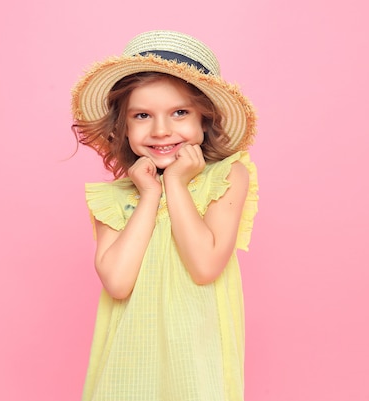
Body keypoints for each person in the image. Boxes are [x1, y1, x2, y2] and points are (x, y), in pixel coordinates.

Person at [71, 30, 259, 401]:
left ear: (204, 120)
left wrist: (175, 183)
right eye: (142, 115)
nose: (161, 130)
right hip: (127, 367)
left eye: (179, 113)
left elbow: (204, 265)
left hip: (196, 363)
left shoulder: (226, 178)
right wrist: (149, 195)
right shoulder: (116, 200)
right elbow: (118, 283)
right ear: (123, 127)